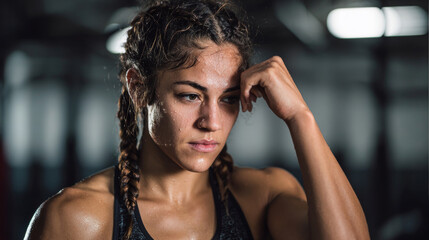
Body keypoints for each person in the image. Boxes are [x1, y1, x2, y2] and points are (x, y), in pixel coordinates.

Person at [24, 0, 370, 239]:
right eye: (191, 95)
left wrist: (300, 117)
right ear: (138, 88)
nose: (212, 121)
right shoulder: (77, 218)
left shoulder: (262, 197)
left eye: (229, 99)